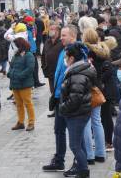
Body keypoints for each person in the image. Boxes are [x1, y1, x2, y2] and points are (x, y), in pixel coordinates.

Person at [42, 25, 78, 174]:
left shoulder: (76, 52)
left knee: (75, 134)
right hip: (58, 97)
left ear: (73, 36)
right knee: (58, 130)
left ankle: (78, 163)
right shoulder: (63, 50)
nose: (61, 38)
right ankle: (59, 160)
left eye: (64, 35)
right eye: (61, 35)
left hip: (69, 98)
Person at [60, 42, 95, 178]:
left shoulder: (77, 75)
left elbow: (75, 98)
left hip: (77, 113)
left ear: (72, 58)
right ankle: (83, 169)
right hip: (80, 112)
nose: (64, 59)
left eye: (65, 56)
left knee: (74, 146)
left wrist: (63, 108)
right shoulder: (77, 70)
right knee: (79, 142)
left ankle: (83, 171)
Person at [82, 29, 108, 164]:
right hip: (98, 87)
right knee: (97, 121)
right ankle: (101, 153)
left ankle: (89, 155)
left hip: (87, 87)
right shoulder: (102, 51)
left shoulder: (86, 52)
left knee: (86, 122)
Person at [8, 37, 36, 131]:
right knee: (18, 104)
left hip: (24, 84)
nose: (14, 47)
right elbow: (11, 66)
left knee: (28, 103)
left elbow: (30, 68)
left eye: (15, 45)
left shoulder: (28, 55)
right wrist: (10, 73)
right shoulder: (16, 55)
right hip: (15, 83)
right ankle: (20, 122)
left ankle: (31, 122)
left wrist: (20, 75)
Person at [41, 21, 63, 117]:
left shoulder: (62, 42)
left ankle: (61, 110)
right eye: (50, 29)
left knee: (60, 92)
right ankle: (56, 110)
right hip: (50, 72)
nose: (51, 31)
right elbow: (43, 55)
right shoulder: (47, 41)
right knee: (53, 91)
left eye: (53, 29)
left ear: (58, 31)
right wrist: (43, 66)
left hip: (59, 72)